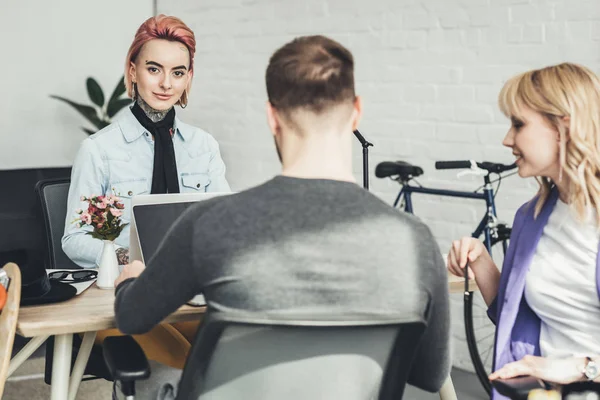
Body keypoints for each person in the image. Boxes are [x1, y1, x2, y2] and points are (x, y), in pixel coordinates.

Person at [113, 35, 451, 398]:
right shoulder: (414, 241)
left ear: (272, 117)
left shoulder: (211, 222)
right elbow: (430, 375)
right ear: (356, 113)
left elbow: (133, 317)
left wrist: (130, 279)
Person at [61, 14, 230, 371]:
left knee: (232, 349)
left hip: (189, 293)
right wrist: (127, 258)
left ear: (189, 79)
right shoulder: (101, 151)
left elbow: (223, 227)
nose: (166, 83)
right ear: (133, 70)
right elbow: (76, 239)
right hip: (127, 298)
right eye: (154, 69)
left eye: (178, 72)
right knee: (194, 367)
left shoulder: (203, 147)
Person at [447, 63, 600, 397]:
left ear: (564, 128)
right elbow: (514, 318)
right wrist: (481, 261)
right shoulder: (532, 217)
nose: (507, 139)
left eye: (518, 124)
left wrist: (583, 367)